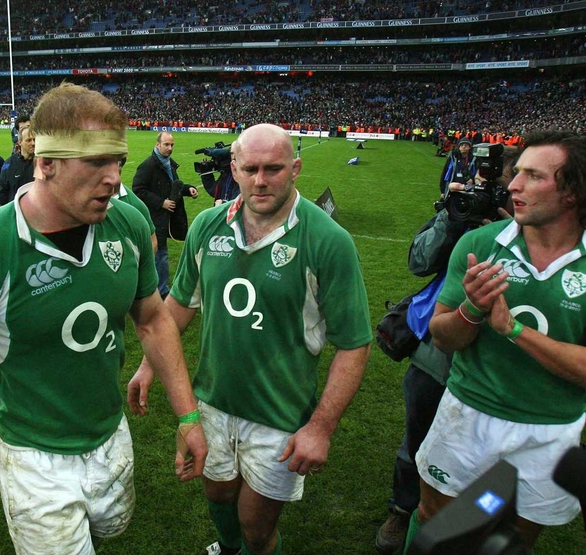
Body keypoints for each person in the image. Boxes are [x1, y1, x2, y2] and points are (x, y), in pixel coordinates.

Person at [0, 83, 207, 555]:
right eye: (95, 162)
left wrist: (187, 414)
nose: (112, 178)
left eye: (118, 162)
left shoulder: (127, 223)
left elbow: (151, 318)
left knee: (108, 532)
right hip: (33, 456)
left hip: (111, 435)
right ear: (45, 163)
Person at [128, 124, 373, 555]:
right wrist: (150, 363)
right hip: (212, 402)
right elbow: (179, 305)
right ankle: (227, 547)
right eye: (251, 169)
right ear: (234, 169)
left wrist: (320, 427)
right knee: (218, 495)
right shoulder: (208, 226)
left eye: (274, 169)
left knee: (257, 529)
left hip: (279, 415)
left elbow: (354, 344)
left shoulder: (328, 241)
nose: (261, 181)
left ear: (295, 169)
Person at [406, 130, 586, 552]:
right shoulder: (481, 243)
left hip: (549, 432)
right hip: (467, 415)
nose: (514, 186)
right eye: (516, 173)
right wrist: (471, 309)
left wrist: (514, 331)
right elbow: (443, 337)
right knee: (436, 517)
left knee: (507, 537)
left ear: (572, 192)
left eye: (533, 176)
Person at [375, 148, 519, 555]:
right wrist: (450, 219)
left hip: (504, 362)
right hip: (437, 356)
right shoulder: (463, 220)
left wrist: (509, 232)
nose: (514, 193)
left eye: (508, 190)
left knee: (497, 452)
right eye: (507, 187)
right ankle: (404, 508)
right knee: (418, 439)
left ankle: (482, 515)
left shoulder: (545, 237)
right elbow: (419, 261)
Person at [132, 131, 198, 298]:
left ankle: (154, 287)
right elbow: (138, 190)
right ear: (157, 145)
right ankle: (160, 291)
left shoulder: (167, 163)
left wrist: (187, 189)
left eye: (172, 145)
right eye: (166, 144)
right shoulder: (149, 165)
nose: (170, 148)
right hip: (155, 217)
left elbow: (173, 185)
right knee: (160, 254)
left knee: (159, 253)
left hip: (166, 218)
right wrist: (161, 202)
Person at [0, 126, 35, 205]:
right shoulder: (9, 163)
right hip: (15, 211)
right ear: (20, 142)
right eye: (29, 140)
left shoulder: (43, 163)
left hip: (37, 212)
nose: (33, 143)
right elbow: (2, 190)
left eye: (34, 140)